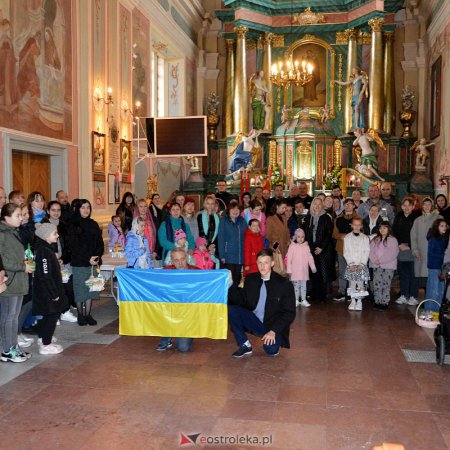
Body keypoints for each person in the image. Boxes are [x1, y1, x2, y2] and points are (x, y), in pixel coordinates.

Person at [228, 249, 296, 357]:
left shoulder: (284, 284)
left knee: (271, 350)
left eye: (266, 262)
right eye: (260, 262)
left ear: (272, 263)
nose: (262, 266)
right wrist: (230, 285)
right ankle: (245, 345)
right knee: (231, 310)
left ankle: (272, 339)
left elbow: (289, 313)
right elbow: (240, 300)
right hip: (255, 321)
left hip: (273, 325)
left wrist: (273, 331)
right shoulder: (251, 279)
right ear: (256, 263)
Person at [0, 203, 35, 363]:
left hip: (19, 278)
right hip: (10, 280)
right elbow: (3, 260)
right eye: (17, 215)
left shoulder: (14, 232)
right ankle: (7, 350)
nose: (21, 218)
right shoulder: (2, 234)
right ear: (6, 217)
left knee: (14, 317)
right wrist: (23, 267)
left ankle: (13, 346)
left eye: (22, 215)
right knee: (9, 316)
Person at [67, 199, 104, 326]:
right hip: (80, 262)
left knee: (91, 288)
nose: (86, 210)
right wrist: (88, 257)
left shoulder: (93, 224)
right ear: (77, 209)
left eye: (88, 207)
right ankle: (80, 315)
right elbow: (74, 245)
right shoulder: (72, 224)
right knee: (80, 289)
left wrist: (97, 256)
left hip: (93, 262)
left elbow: (99, 242)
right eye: (83, 207)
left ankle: (88, 314)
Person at [33, 223, 67, 355]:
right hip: (47, 291)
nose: (57, 235)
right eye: (55, 233)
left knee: (49, 315)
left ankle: (44, 337)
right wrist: (54, 294)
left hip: (49, 289)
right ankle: (46, 344)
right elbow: (45, 275)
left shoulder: (47, 249)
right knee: (51, 315)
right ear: (46, 236)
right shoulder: (43, 251)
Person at [156, 248, 199, 352]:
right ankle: (167, 335)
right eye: (176, 260)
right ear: (171, 261)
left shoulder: (196, 272)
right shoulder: (166, 272)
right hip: (170, 312)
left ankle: (189, 331)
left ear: (187, 259)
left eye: (182, 259)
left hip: (188, 315)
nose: (180, 263)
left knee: (183, 348)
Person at [44, 201, 77, 324]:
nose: (56, 213)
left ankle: (64, 311)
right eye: (53, 210)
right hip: (50, 261)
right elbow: (42, 245)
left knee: (67, 287)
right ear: (48, 211)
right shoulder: (43, 225)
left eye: (58, 210)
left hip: (63, 262)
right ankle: (54, 313)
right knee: (53, 288)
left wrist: (64, 258)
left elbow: (69, 245)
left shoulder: (64, 225)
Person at [303, 197, 335, 302]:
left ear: (322, 206)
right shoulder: (308, 218)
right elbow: (305, 233)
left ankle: (321, 296)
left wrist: (321, 247)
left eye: (319, 204)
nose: (317, 206)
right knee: (312, 273)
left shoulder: (326, 218)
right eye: (315, 204)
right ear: (312, 205)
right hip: (310, 249)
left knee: (321, 274)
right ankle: (314, 294)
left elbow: (328, 234)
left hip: (322, 250)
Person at [392, 197, 420, 306]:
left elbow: (419, 234)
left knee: (413, 274)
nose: (406, 207)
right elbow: (393, 231)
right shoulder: (398, 216)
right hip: (401, 248)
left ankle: (413, 296)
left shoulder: (417, 217)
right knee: (403, 274)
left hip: (414, 249)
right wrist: (399, 244)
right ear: (402, 206)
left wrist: (412, 247)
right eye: (404, 205)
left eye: (409, 205)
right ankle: (403, 295)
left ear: (413, 206)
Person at [410, 198, 441, 289]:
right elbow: (413, 236)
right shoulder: (418, 220)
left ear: (432, 205)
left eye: (429, 204)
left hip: (433, 253)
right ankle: (425, 301)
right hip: (421, 252)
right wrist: (415, 250)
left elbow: (442, 235)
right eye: (425, 204)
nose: (427, 206)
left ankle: (432, 301)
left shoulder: (438, 218)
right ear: (422, 206)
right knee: (423, 279)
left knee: (433, 278)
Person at [333, 199, 360, 302]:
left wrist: (351, 235)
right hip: (341, 248)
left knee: (353, 270)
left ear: (354, 206)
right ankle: (342, 291)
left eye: (350, 204)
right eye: (346, 204)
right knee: (342, 270)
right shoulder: (338, 218)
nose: (348, 206)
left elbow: (361, 233)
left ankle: (352, 291)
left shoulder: (358, 218)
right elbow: (334, 234)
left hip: (355, 249)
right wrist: (341, 236)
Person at [369, 221, 399, 311]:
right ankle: (377, 301)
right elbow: (370, 251)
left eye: (384, 228)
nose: (382, 229)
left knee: (385, 284)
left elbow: (392, 253)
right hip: (376, 266)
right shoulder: (375, 239)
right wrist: (374, 260)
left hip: (388, 266)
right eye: (381, 228)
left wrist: (380, 260)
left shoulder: (393, 240)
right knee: (377, 284)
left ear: (389, 229)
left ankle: (384, 302)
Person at [218, 200, 247, 286]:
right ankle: (229, 299)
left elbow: (247, 236)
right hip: (228, 256)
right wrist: (222, 255)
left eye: (237, 209)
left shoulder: (242, 221)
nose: (235, 211)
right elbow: (221, 238)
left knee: (238, 280)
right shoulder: (224, 221)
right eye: (233, 209)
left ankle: (236, 298)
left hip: (239, 256)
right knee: (229, 281)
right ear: (229, 211)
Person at [344, 217, 370, 311]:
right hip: (351, 266)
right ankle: (353, 301)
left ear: (361, 226)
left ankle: (359, 301)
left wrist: (362, 264)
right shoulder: (347, 237)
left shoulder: (365, 238)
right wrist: (351, 264)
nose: (357, 226)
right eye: (355, 224)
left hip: (361, 266)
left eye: (359, 225)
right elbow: (346, 252)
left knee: (360, 285)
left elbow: (366, 251)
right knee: (352, 284)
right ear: (351, 225)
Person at [286, 228, 316, 308]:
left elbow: (310, 257)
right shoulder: (292, 246)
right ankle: (296, 299)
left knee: (303, 285)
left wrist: (312, 267)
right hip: (295, 271)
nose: (300, 239)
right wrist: (289, 270)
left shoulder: (306, 246)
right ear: (295, 237)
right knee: (296, 286)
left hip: (304, 270)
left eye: (302, 237)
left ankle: (303, 299)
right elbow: (289, 259)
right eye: (298, 237)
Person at [425, 219, 449, 312]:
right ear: (437, 227)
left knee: (441, 290)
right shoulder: (433, 238)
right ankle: (429, 310)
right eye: (442, 226)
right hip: (434, 267)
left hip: (442, 267)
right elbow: (431, 253)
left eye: (445, 226)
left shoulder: (444, 237)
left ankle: (437, 311)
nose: (444, 228)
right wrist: (444, 254)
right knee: (433, 290)